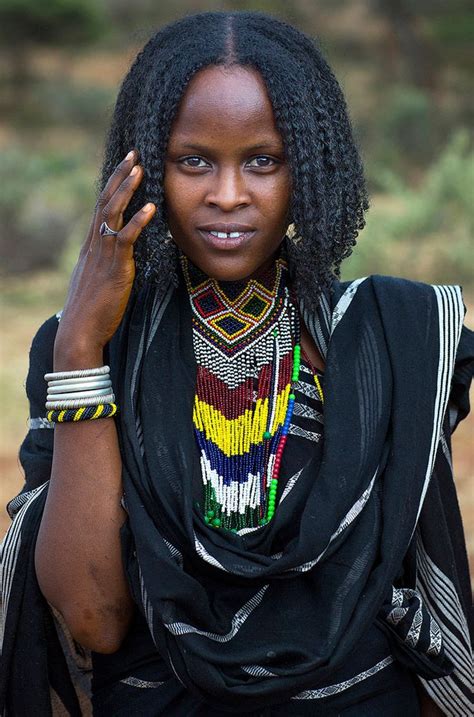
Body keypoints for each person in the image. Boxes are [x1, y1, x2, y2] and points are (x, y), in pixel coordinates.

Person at [1, 10, 472, 716]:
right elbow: (93, 617)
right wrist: (79, 347)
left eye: (263, 160)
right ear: (145, 167)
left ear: (309, 167)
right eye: (194, 160)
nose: (227, 194)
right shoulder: (88, 351)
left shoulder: (390, 336)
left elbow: (418, 595)